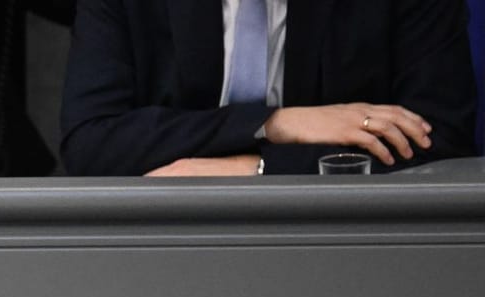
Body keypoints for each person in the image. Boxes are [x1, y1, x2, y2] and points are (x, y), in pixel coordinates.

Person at [60, 0, 477, 176]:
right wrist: (274, 124)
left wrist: (254, 170)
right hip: (164, 251)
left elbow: (439, 144)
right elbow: (91, 142)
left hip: (342, 252)